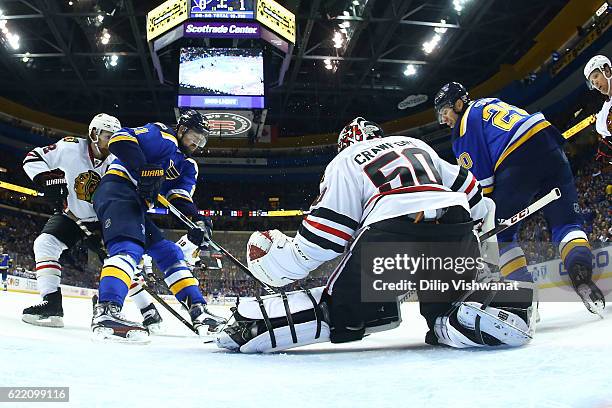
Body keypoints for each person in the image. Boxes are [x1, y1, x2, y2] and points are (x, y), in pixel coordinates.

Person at [215, 117, 535, 353]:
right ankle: (490, 308)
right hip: (455, 227)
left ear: (345, 146)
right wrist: (481, 242)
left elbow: (323, 239)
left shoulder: (346, 160)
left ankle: (252, 324)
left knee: (342, 312)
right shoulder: (416, 145)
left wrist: (280, 262)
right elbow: (474, 193)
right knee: (445, 312)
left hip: (393, 232)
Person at [433, 82, 605, 314]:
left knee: (501, 237)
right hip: (550, 144)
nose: (443, 120)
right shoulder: (490, 103)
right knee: (567, 223)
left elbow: (485, 191)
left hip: (517, 158)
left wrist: (482, 225)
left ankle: (526, 298)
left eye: (444, 112)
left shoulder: (464, 127)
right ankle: (581, 273)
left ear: (459, 103)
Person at [91, 109, 226, 342]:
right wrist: (143, 168)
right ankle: (107, 310)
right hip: (118, 189)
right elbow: (119, 140)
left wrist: (196, 219)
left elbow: (179, 196)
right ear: (182, 129)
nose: (198, 143)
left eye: (203, 140)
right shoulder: (163, 136)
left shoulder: (187, 165)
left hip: (137, 204)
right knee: (128, 248)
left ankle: (198, 310)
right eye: (195, 135)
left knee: (170, 252)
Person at [19, 113, 162, 328]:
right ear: (94, 134)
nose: (112, 142)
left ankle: (148, 310)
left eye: (116, 137)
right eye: (108, 136)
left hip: (107, 217)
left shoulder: (120, 159)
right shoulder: (69, 148)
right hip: (72, 214)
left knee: (117, 260)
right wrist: (45, 179)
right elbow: (32, 158)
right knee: (45, 244)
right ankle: (51, 304)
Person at [584, 55, 612, 163]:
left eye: (596, 76)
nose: (594, 83)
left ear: (607, 70)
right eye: (591, 82)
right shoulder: (603, 116)